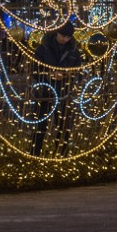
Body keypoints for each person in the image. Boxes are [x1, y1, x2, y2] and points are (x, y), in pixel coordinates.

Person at [31, 20, 84, 155]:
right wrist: (49, 75)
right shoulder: (44, 48)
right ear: (57, 33)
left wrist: (67, 76)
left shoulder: (73, 51)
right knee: (40, 124)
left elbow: (78, 71)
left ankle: (62, 153)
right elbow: (35, 69)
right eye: (62, 36)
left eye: (68, 37)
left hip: (63, 92)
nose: (64, 39)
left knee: (63, 125)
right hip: (45, 92)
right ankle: (35, 153)